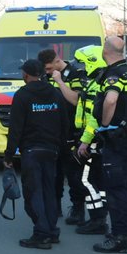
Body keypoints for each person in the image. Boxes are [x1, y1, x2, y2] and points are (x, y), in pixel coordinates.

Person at [85, 36, 127, 254]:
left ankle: (119, 237)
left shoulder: (114, 74)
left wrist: (105, 124)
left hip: (116, 138)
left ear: (105, 51)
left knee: (115, 188)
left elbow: (110, 100)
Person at [4, 59, 66, 249]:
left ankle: (41, 234)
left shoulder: (22, 95)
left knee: (34, 192)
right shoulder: (55, 93)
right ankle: (52, 230)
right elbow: (64, 123)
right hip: (52, 150)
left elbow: (15, 129)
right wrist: (62, 150)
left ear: (27, 75)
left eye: (23, 72)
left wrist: (8, 157)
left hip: (31, 151)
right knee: (49, 191)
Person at [51, 45, 110, 237]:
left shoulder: (96, 86)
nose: (80, 67)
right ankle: (96, 218)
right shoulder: (94, 84)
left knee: (90, 181)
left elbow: (94, 117)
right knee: (91, 182)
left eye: (83, 63)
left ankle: (98, 220)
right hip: (88, 137)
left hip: (91, 139)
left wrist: (85, 140)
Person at [38, 48, 83, 224]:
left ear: (58, 61)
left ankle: (78, 209)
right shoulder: (46, 76)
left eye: (49, 69)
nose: (47, 73)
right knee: (53, 174)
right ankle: (54, 207)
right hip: (52, 133)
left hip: (72, 131)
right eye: (45, 70)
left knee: (73, 174)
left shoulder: (76, 73)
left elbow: (76, 100)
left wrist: (60, 81)